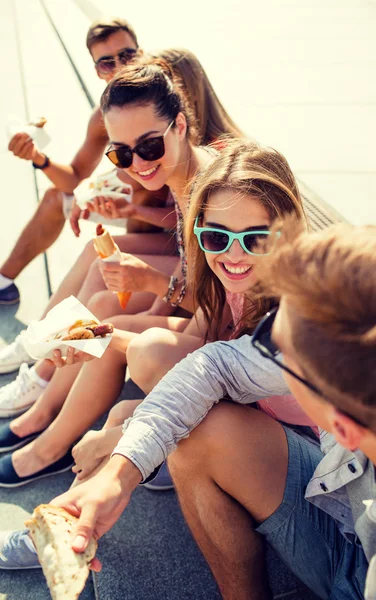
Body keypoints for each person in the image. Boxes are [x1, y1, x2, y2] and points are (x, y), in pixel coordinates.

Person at [2, 221, 376, 599]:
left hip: (357, 573)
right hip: (348, 513)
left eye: (275, 347)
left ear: (342, 428)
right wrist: (121, 473)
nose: (260, 351)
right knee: (195, 415)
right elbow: (215, 365)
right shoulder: (361, 392)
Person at [0, 58, 221, 485]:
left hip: (234, 346)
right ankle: (44, 417)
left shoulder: (212, 192)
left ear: (179, 125)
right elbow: (202, 282)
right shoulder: (183, 178)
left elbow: (228, 310)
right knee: (102, 315)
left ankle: (48, 442)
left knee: (106, 328)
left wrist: (154, 283)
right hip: (210, 320)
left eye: (149, 146)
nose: (137, 163)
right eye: (120, 152)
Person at [68, 139, 315, 489]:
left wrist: (121, 438)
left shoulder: (293, 310)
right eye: (216, 237)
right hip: (252, 414)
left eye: (255, 239)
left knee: (129, 413)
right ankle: (66, 525)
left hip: (305, 451)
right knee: (128, 400)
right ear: (199, 230)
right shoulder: (239, 281)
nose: (233, 254)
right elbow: (201, 344)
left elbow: (213, 385)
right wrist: (95, 340)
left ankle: (70, 510)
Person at [1, 17, 171, 308]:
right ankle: (3, 281)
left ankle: (134, 281)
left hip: (174, 217)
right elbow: (76, 177)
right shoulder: (103, 115)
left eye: (127, 55)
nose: (120, 66)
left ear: (141, 53)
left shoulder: (166, 96)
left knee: (137, 184)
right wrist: (38, 158)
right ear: (97, 71)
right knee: (58, 198)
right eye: (107, 62)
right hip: (138, 208)